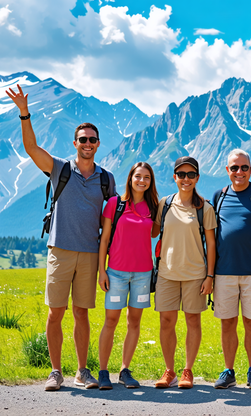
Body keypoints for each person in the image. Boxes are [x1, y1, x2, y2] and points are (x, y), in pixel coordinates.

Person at [6, 84, 116, 391]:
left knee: (82, 313)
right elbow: (31, 149)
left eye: (93, 139)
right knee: (56, 313)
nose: (88, 143)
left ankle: (82, 371)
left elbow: (113, 220)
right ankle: (55, 372)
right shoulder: (60, 169)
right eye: (83, 139)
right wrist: (24, 114)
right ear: (75, 142)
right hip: (60, 250)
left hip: (90, 253)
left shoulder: (106, 178)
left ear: (98, 144)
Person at [212, 149, 251, 390]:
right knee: (227, 323)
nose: (239, 172)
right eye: (234, 168)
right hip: (223, 272)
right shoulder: (219, 196)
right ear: (227, 170)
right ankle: (229, 371)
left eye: (244, 168)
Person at [151, 156, 216, 389]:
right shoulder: (164, 204)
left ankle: (188, 370)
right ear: (174, 177)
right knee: (166, 321)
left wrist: (210, 277)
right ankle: (169, 371)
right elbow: (152, 232)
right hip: (167, 273)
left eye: (190, 175)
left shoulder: (205, 208)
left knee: (192, 321)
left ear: (197, 178)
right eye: (181, 174)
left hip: (195, 274)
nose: (185, 179)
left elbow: (211, 245)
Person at [97, 162, 159, 389]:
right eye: (138, 176)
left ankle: (124, 370)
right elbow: (104, 240)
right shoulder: (115, 204)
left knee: (134, 322)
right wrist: (101, 270)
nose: (142, 181)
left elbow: (154, 234)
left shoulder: (153, 208)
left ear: (151, 182)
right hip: (116, 273)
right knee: (111, 321)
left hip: (143, 274)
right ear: (130, 178)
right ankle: (103, 372)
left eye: (147, 178)